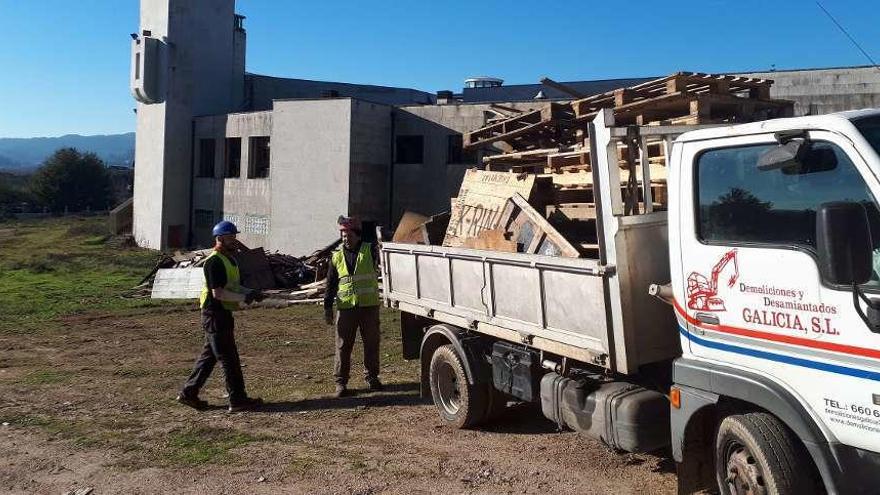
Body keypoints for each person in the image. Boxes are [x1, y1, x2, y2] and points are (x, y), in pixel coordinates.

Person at [177, 220, 264, 412]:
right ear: (220, 239)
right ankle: (238, 399)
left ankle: (188, 393)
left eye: (234, 236)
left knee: (209, 357)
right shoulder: (214, 262)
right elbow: (218, 293)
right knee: (229, 358)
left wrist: (251, 292)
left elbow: (232, 286)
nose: (234, 240)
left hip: (223, 313)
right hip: (214, 314)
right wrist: (244, 297)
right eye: (230, 237)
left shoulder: (230, 260)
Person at [324, 216, 383, 397]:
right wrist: (327, 307)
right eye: (342, 235)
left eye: (348, 234)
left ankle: (372, 378)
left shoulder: (370, 250)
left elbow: (384, 255)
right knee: (343, 346)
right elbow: (331, 283)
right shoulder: (336, 256)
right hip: (346, 308)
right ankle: (340, 383)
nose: (345, 238)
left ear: (357, 235)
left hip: (368, 307)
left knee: (371, 344)